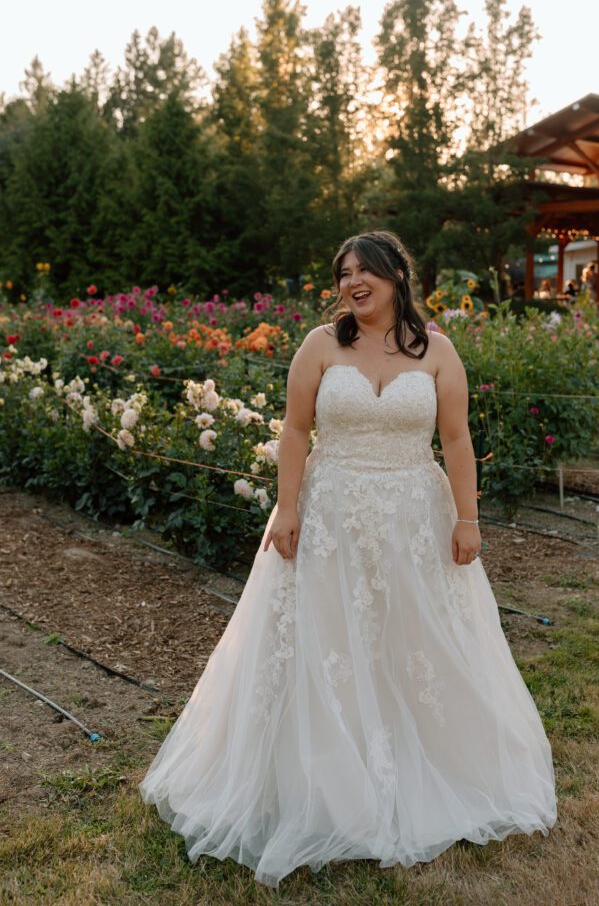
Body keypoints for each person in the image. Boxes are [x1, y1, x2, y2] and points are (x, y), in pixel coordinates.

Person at [138, 229, 557, 888]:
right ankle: (324, 787)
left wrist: (467, 517)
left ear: (396, 276)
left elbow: (455, 438)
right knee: (325, 642)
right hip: (328, 518)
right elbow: (296, 429)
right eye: (343, 272)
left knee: (413, 643)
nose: (352, 281)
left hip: (413, 520)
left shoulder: (437, 352)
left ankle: (433, 768)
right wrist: (289, 507)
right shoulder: (319, 346)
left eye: (365, 270)